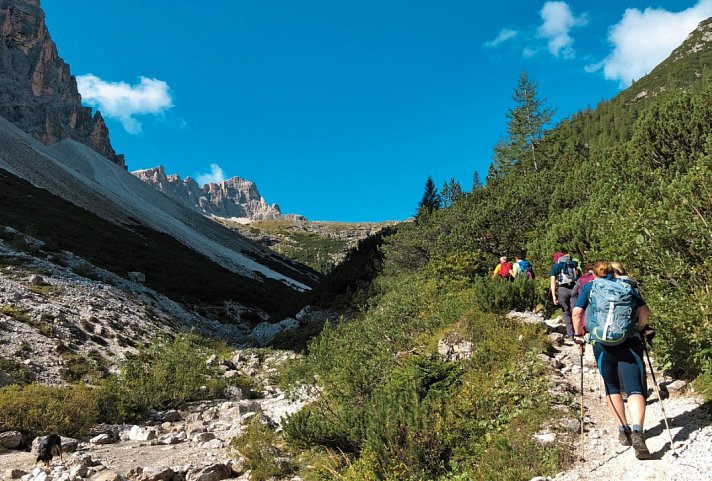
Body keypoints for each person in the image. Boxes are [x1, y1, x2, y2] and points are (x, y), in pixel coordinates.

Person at [572, 261, 653, 460]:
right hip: (629, 342)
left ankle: (623, 429)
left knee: (612, 387)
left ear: (594, 274)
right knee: (634, 389)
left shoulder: (590, 287)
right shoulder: (627, 287)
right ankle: (637, 432)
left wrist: (577, 336)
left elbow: (576, 312)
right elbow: (644, 312)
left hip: (601, 345)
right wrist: (641, 329)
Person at [549, 251, 580, 339]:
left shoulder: (555, 267)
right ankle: (579, 332)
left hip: (562, 289)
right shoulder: (572, 264)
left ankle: (571, 334)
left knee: (566, 312)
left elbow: (553, 282)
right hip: (574, 288)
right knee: (575, 311)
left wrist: (554, 296)